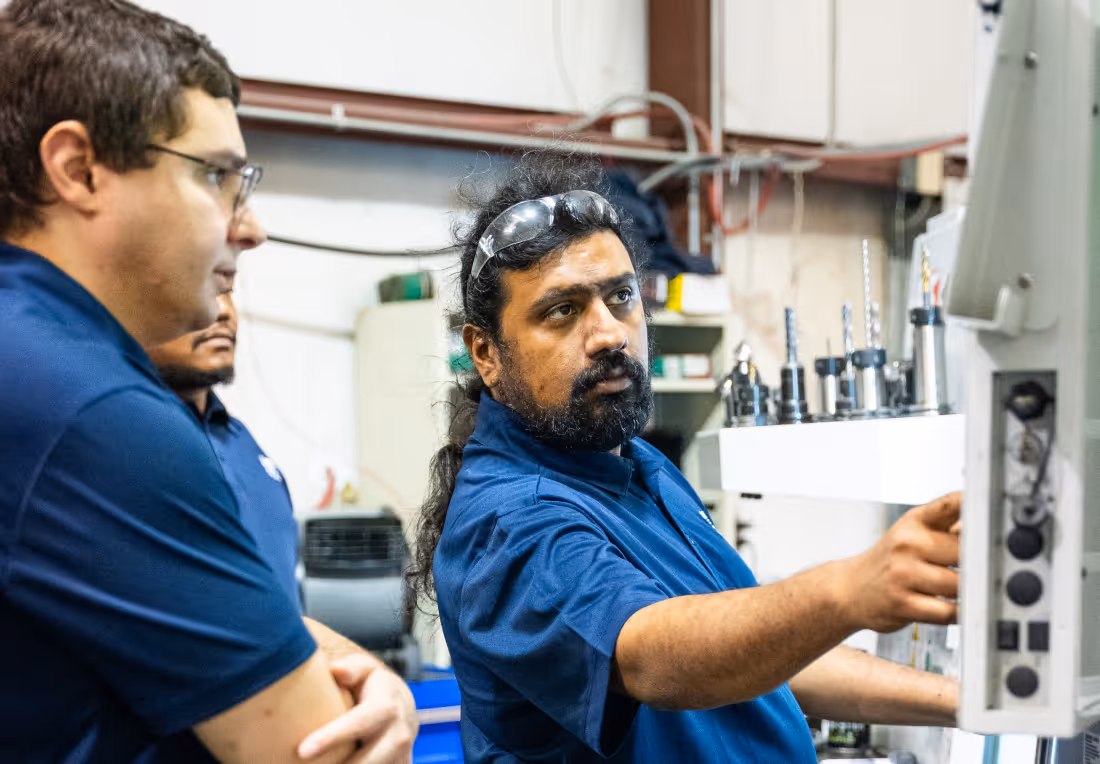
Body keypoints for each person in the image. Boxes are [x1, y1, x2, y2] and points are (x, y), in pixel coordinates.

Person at [411, 152, 961, 763]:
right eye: (561, 310)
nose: (610, 334)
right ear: (485, 352)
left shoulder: (639, 466)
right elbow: (652, 657)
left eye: (620, 297)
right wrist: (847, 592)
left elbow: (765, 659)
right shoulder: (508, 522)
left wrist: (964, 700)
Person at [0, 1, 414, 762]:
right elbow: (324, 752)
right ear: (78, 169)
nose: (248, 227)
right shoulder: (91, 411)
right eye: (218, 176)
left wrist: (345, 664)